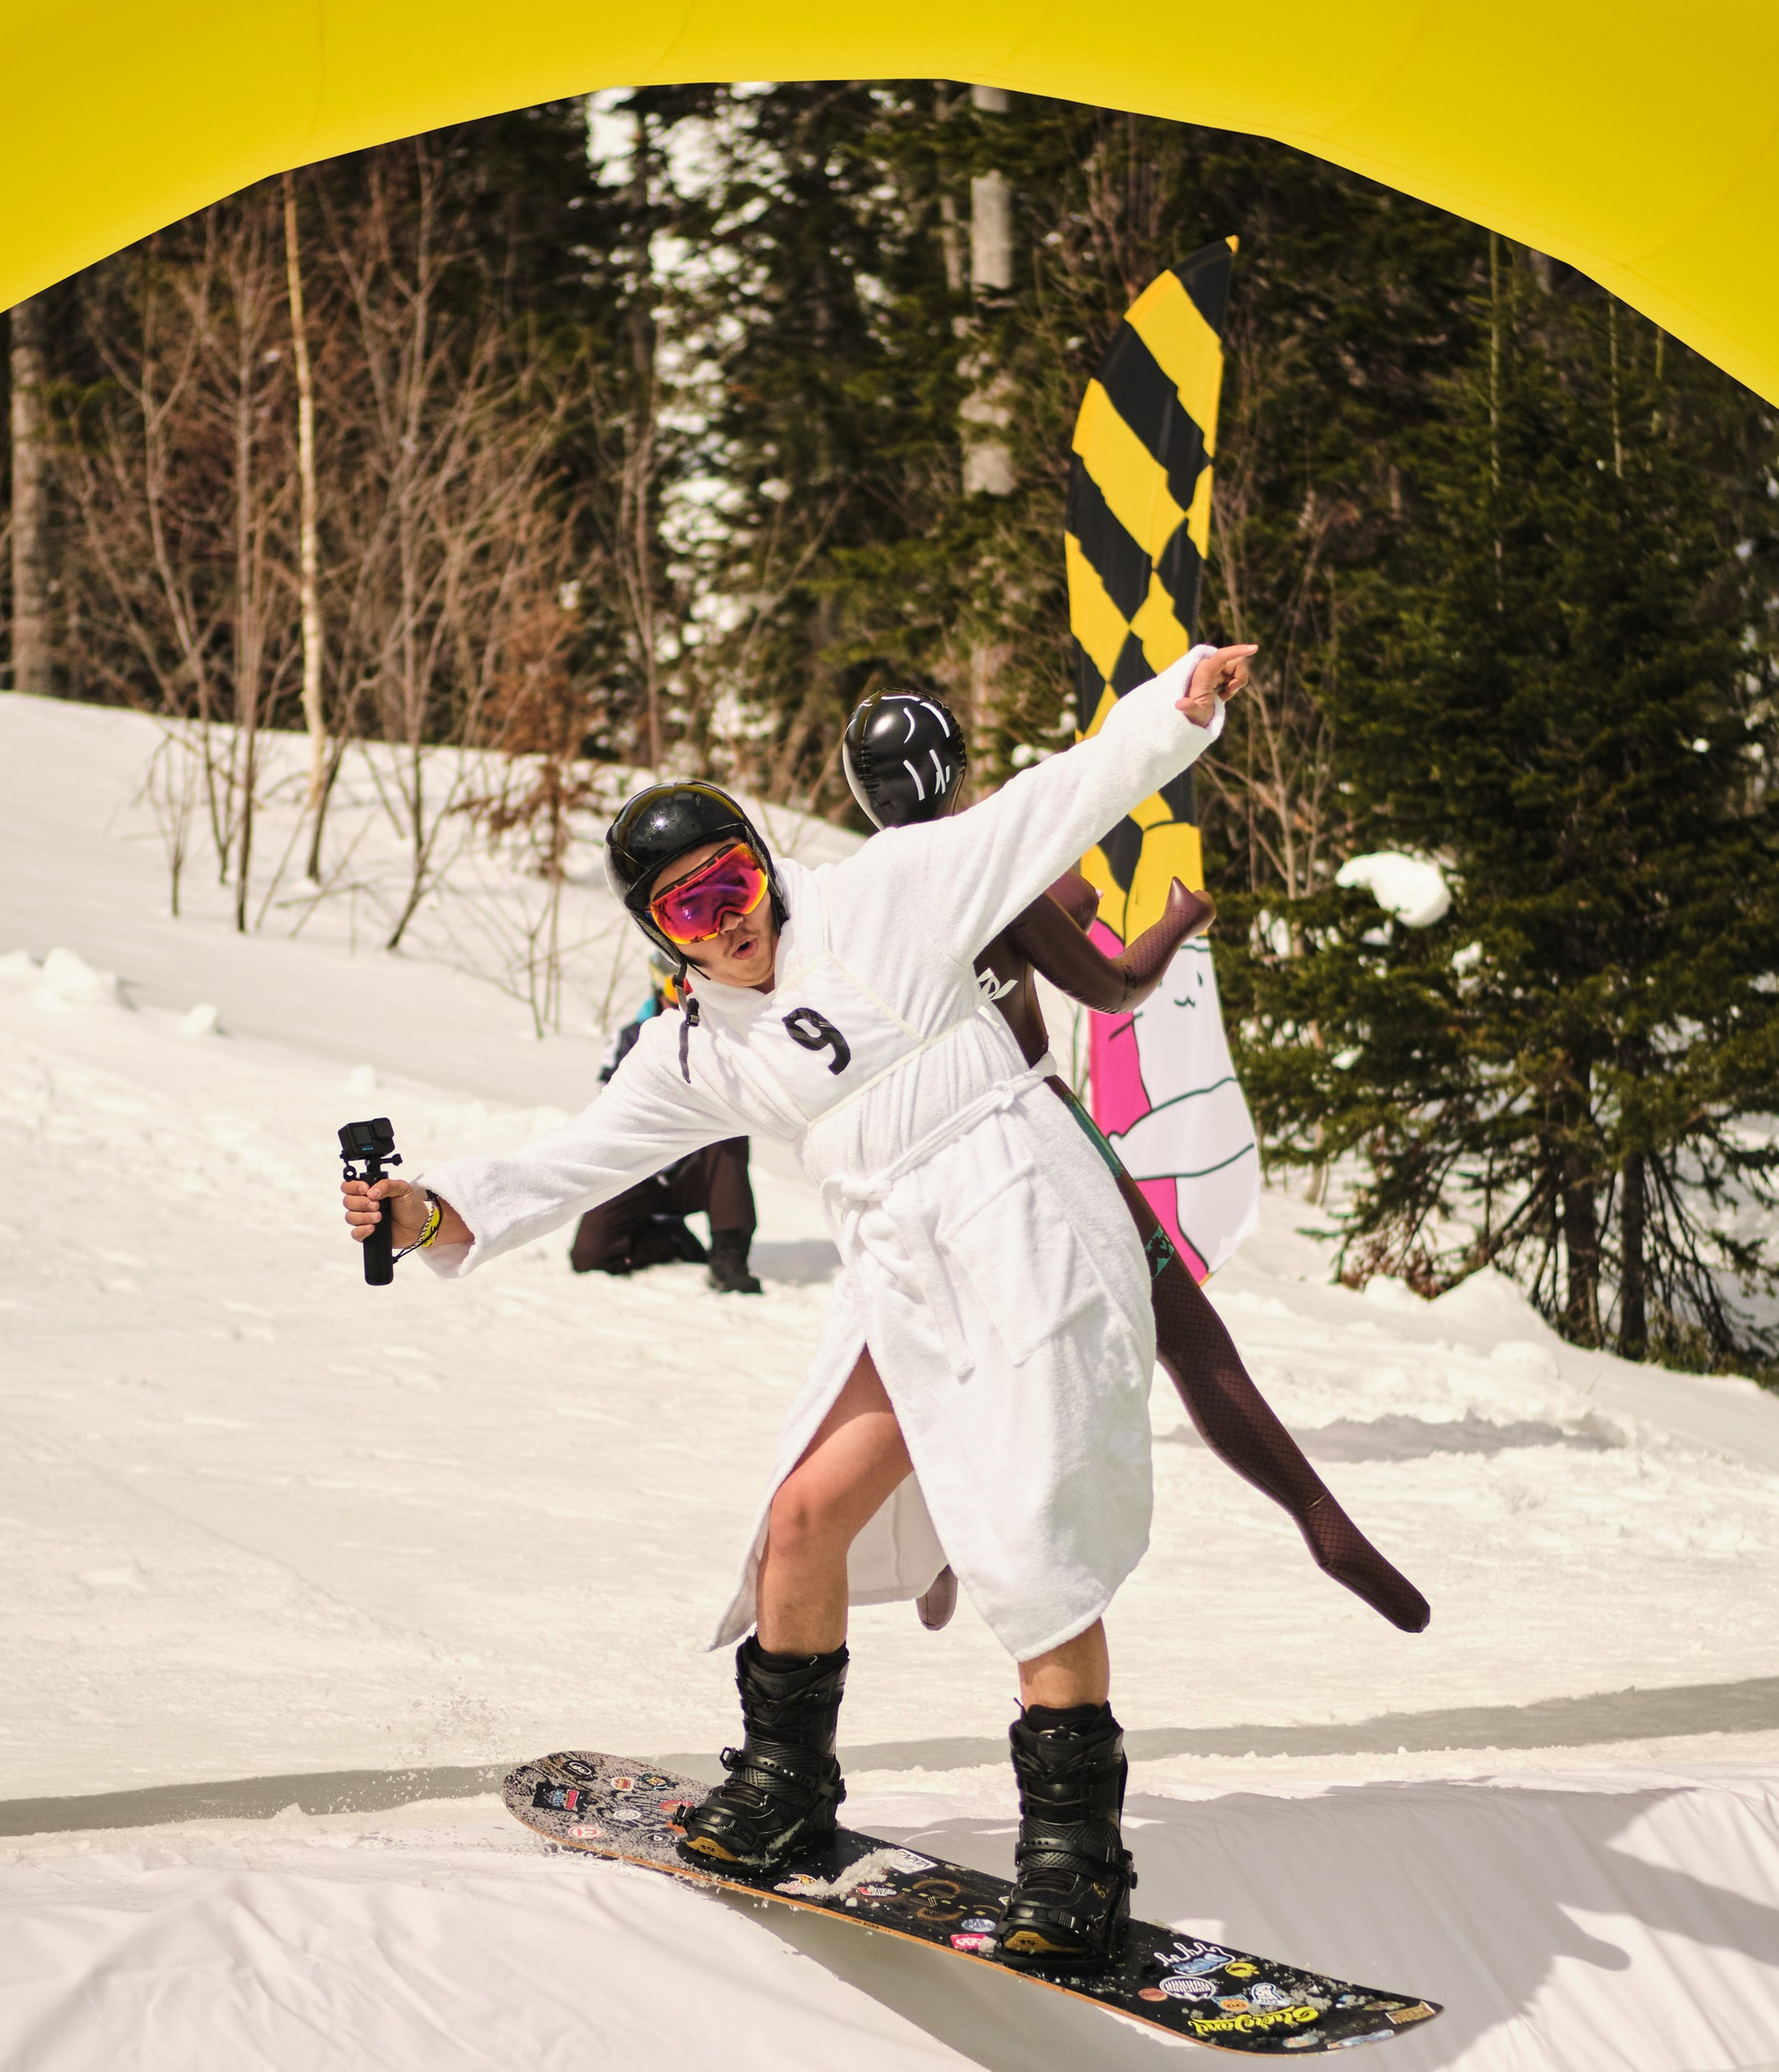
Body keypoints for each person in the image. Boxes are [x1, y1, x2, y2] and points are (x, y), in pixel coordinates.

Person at [340, 644, 1254, 1974]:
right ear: (661, 936)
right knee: (802, 1518)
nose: (724, 923)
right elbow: (571, 1163)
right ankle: (785, 1784)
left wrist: (1174, 707)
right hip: (907, 1265)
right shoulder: (697, 1046)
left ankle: (1075, 1860)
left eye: (732, 885)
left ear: (765, 867)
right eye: (687, 911)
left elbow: (1051, 801)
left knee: (1031, 1538)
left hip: (1026, 1223)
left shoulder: (888, 894)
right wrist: (429, 1212)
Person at [842, 686, 1427, 1637]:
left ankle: (939, 1544)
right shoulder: (989, 876)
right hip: (1041, 1136)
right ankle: (1323, 1519)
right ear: (953, 772)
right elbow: (1112, 988)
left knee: (949, 1353)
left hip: (930, 1164)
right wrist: (1181, 918)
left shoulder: (857, 907)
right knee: (1189, 1337)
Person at [570, 970, 760, 1292]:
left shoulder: (724, 1035)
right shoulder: (631, 1037)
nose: (685, 996)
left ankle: (730, 1257)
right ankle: (668, 1239)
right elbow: (610, 1105)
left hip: (696, 1170)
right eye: (677, 988)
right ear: (659, 986)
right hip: (638, 1169)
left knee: (730, 1134)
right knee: (589, 1256)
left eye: (696, 988)